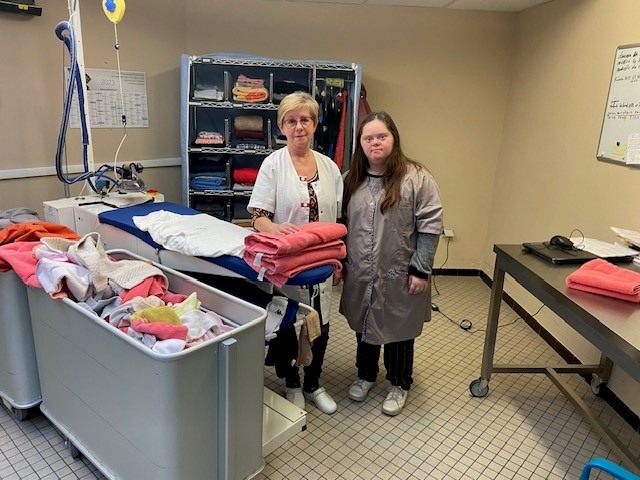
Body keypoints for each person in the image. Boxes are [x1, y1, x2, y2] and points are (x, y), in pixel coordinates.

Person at [334, 111, 443, 416]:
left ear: (394, 138)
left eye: (382, 136)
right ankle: (366, 375)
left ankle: (399, 383)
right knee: (364, 324)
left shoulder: (417, 178)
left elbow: (430, 226)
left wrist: (421, 269)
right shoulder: (350, 179)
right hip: (360, 270)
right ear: (360, 143)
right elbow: (339, 224)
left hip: (400, 272)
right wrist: (339, 263)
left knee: (399, 329)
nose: (375, 143)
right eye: (368, 138)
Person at [248, 91, 343, 414]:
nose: (298, 126)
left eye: (305, 120)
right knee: (288, 323)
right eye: (291, 121)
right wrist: (275, 228)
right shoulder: (273, 165)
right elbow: (258, 217)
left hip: (321, 262)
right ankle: (291, 382)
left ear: (315, 124)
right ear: (281, 127)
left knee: (321, 323)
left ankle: (313, 384)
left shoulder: (329, 167)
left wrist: (338, 261)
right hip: (287, 263)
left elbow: (337, 218)